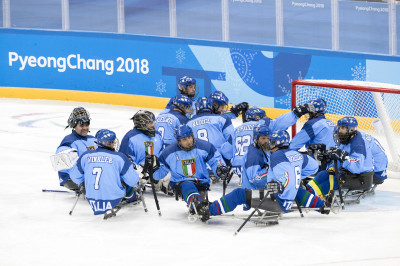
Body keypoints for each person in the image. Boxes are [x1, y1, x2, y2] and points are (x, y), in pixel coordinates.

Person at [150, 124, 230, 221]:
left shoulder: (205, 146)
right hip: (180, 183)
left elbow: (215, 161)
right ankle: (198, 205)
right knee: (189, 187)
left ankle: (200, 206)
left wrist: (219, 169)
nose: (189, 141)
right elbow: (159, 174)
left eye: (189, 137)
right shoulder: (168, 152)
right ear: (179, 141)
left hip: (202, 182)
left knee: (199, 202)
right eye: (184, 139)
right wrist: (153, 168)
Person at [69, 129, 140, 216]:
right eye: (112, 141)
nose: (114, 143)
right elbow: (133, 181)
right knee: (125, 177)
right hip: (114, 199)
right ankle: (131, 197)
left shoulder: (85, 155)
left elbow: (75, 178)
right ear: (108, 143)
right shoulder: (119, 157)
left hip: (91, 198)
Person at [232, 103, 310, 179]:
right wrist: (296, 113)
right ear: (257, 117)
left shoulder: (236, 129)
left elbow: (227, 152)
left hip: (237, 168)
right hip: (258, 170)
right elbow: (281, 122)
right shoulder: (263, 124)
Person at [306, 116, 376, 199]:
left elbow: (357, 164)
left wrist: (343, 158)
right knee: (323, 174)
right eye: (339, 127)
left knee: (334, 180)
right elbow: (341, 156)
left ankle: (309, 197)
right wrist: (329, 157)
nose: (339, 130)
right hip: (349, 173)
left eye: (342, 128)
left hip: (362, 178)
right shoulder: (347, 138)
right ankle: (307, 190)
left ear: (351, 129)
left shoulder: (358, 145)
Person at [119, 110, 172, 195]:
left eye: (152, 122)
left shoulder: (157, 135)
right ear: (140, 123)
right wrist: (140, 169)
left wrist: (158, 166)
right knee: (130, 183)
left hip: (154, 168)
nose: (152, 125)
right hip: (139, 171)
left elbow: (162, 155)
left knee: (171, 175)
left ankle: (159, 183)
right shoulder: (130, 137)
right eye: (149, 123)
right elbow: (125, 159)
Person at [53, 107, 97, 192]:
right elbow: (62, 165)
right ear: (74, 125)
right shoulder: (69, 141)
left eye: (87, 125)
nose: (85, 128)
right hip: (72, 179)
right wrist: (81, 180)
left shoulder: (93, 139)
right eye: (81, 125)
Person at [188, 97, 235, 164]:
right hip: (220, 163)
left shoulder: (188, 123)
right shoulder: (222, 119)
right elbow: (232, 139)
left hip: (198, 164)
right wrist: (227, 155)